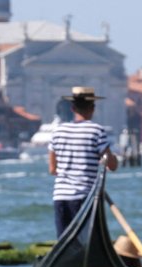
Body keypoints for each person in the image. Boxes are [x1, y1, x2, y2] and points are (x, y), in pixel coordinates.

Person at [48, 86, 118, 237]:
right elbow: (111, 165)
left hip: (60, 197)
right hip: (85, 198)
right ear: (93, 109)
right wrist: (113, 159)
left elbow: (52, 169)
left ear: (72, 108)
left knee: (65, 241)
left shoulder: (57, 131)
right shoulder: (96, 131)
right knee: (88, 238)